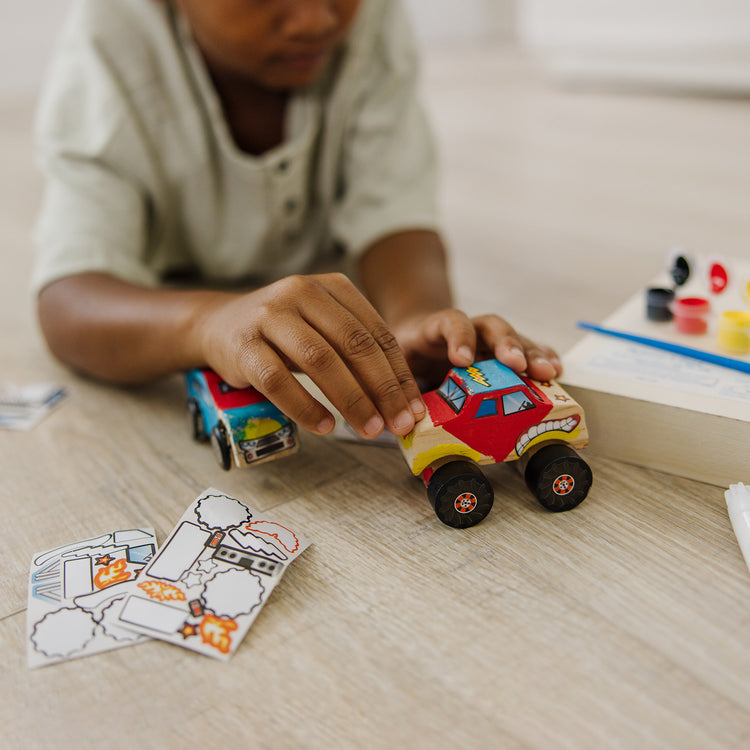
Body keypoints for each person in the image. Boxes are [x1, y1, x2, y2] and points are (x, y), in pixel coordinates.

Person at [32, 0, 562, 442]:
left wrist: (412, 317)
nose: (316, 20)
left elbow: (397, 211)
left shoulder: (371, 17)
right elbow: (69, 301)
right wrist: (207, 324)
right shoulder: (109, 38)